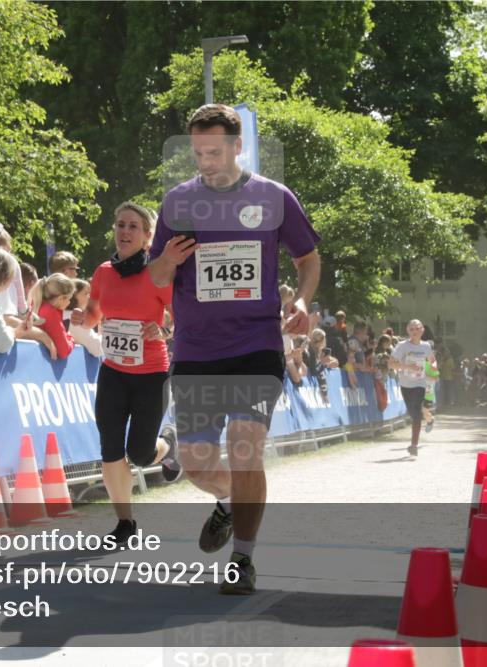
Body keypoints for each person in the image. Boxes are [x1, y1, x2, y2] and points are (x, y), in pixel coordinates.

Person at [148, 103, 321, 594]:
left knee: (246, 448)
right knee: (198, 461)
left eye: (215, 151)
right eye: (198, 152)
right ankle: (228, 500)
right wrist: (167, 259)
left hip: (255, 345)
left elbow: (308, 257)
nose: (206, 161)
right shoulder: (178, 203)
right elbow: (157, 277)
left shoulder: (273, 197)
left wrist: (304, 300)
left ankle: (242, 559)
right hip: (197, 350)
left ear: (237, 145)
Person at [78, 201, 179, 543]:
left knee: (140, 453)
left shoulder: (159, 273)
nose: (124, 231)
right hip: (113, 372)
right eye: (120, 224)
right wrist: (83, 320)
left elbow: (178, 318)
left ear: (148, 236)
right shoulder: (104, 271)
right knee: (110, 449)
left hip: (151, 374)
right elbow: (94, 311)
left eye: (133, 226)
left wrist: (161, 330)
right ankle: (125, 523)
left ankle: (169, 442)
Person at [389, 319, 436, 456]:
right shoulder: (402, 346)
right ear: (407, 331)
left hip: (420, 383)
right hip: (406, 384)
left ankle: (414, 444)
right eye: (411, 329)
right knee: (413, 413)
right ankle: (428, 418)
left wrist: (434, 372)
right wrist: (407, 367)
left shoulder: (426, 346)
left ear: (422, 330)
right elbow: (391, 364)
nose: (414, 331)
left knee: (417, 412)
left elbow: (432, 361)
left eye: (417, 329)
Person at [31, 273, 76, 360]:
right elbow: (64, 351)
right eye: (69, 298)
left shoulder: (38, 304)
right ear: (61, 298)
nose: (69, 303)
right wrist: (71, 338)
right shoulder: (51, 312)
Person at [68, 278, 102, 356]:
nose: (90, 297)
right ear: (73, 296)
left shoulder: (65, 315)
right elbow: (98, 348)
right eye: (86, 293)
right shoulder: (75, 319)